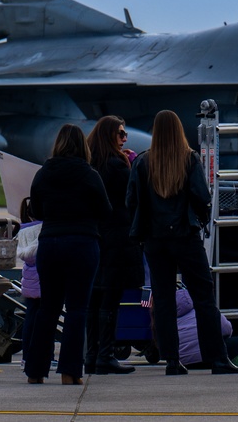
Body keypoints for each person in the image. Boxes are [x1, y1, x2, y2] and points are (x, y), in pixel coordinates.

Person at [126, 110, 238, 376]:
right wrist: (198, 219)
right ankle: (217, 358)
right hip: (185, 237)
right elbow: (202, 196)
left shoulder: (143, 162)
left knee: (164, 300)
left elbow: (131, 200)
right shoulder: (189, 159)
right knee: (203, 298)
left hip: (155, 240)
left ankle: (171, 360)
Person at [24, 124, 112, 385]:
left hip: (50, 242)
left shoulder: (43, 173)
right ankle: (70, 371)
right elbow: (105, 210)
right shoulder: (89, 174)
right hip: (82, 242)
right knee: (76, 309)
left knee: (47, 308)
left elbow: (36, 210)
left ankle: (35, 370)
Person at [84, 116, 144, 375]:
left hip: (95, 238)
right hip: (117, 240)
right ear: (110, 136)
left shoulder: (90, 164)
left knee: (95, 299)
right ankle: (105, 355)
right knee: (110, 299)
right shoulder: (117, 167)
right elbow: (132, 198)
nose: (125, 138)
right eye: (120, 133)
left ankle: (92, 354)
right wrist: (131, 164)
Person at [16, 199, 43, 373]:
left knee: (30, 320)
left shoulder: (24, 231)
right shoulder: (42, 230)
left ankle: (26, 357)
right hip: (42, 283)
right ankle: (45, 356)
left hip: (29, 284)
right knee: (44, 322)